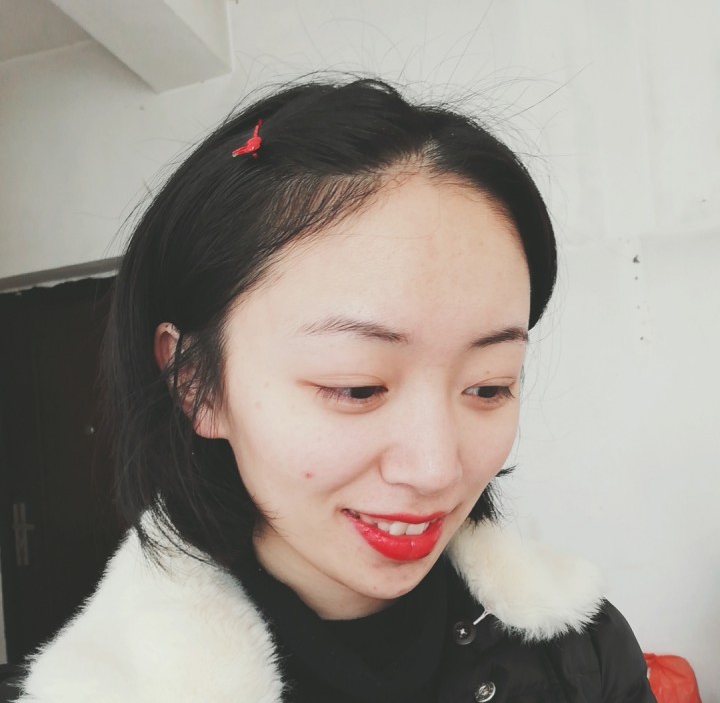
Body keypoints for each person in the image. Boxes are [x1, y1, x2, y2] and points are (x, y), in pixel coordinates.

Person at [18, 78, 655, 703]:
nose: (436, 470)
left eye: (489, 387)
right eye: (356, 388)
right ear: (196, 383)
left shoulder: (581, 655)